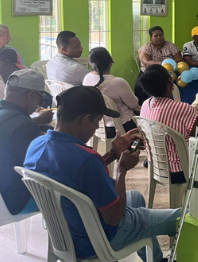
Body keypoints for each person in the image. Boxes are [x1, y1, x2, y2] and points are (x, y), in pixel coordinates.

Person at [24, 86, 179, 262]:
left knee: (135, 197)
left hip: (68, 232)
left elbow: (77, 173)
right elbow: (114, 218)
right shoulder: (87, 159)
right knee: (181, 217)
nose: (97, 127)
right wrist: (121, 170)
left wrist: (112, 154)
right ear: (86, 119)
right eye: (97, 121)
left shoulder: (37, 145)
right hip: (100, 238)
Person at [139, 65, 198, 181]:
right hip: (181, 170)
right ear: (170, 82)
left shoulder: (145, 105)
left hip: (156, 166)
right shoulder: (181, 108)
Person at [0, 70, 52, 215]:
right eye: (40, 99)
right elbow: (39, 171)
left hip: (2, 195)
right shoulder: (24, 126)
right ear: (31, 95)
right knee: (72, 192)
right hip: (15, 201)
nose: (39, 105)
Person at [83, 47, 139, 138]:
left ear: (91, 64)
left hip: (97, 125)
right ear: (110, 63)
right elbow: (134, 104)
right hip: (120, 127)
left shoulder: (87, 78)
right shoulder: (118, 82)